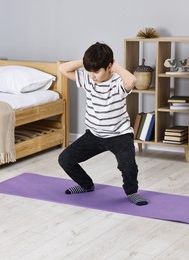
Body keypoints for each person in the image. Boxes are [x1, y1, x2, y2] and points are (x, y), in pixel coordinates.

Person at [58, 42, 148, 206]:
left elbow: (132, 81)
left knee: (128, 166)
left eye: (97, 71)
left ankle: (132, 192)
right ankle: (86, 185)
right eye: (89, 71)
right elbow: (63, 69)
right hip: (94, 135)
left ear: (108, 66)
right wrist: (87, 62)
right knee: (65, 159)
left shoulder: (118, 82)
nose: (92, 75)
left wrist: (117, 67)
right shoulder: (87, 79)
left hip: (119, 135)